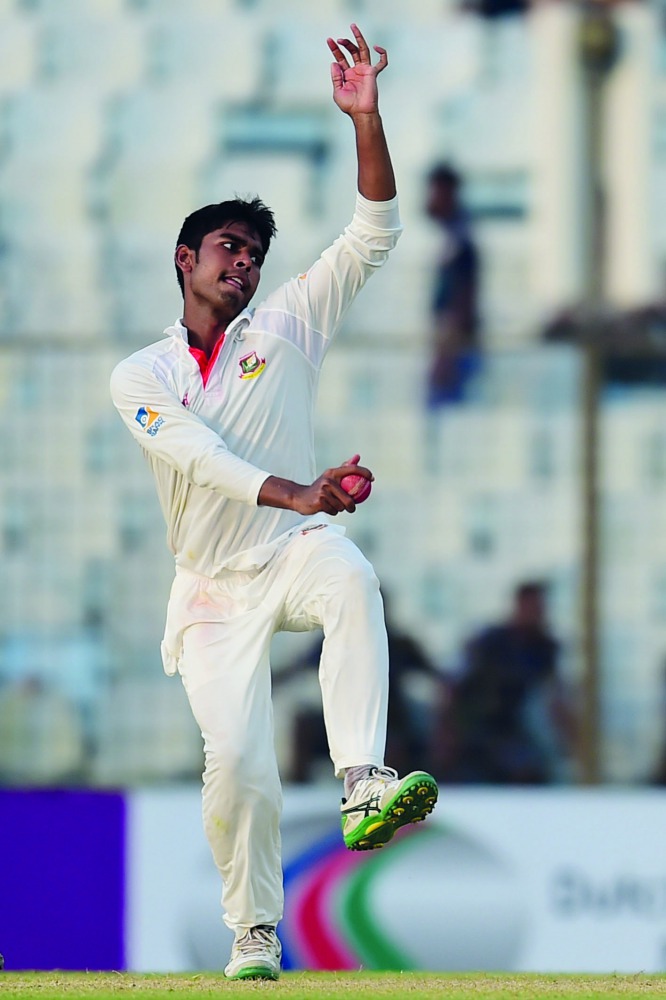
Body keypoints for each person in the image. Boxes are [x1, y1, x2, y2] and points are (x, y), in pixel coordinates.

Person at [110, 25, 437, 982]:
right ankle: (255, 933)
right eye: (227, 247)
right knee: (240, 770)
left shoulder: (288, 322)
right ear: (185, 257)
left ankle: (363, 781)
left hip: (291, 547)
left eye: (254, 252)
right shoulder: (145, 373)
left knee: (349, 574)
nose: (244, 264)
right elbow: (202, 458)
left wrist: (367, 119)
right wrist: (305, 487)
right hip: (210, 589)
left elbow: (374, 229)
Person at [276, 594, 444, 782]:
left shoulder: (399, 645)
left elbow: (437, 676)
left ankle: (389, 791)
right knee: (304, 724)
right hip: (341, 723)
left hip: (387, 724)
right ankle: (299, 789)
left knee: (395, 744)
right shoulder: (333, 642)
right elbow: (295, 669)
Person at [432, 581, 575, 784]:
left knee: (530, 770)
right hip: (471, 727)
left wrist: (572, 741)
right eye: (532, 606)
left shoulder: (544, 648)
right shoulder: (489, 641)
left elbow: (556, 697)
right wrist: (446, 733)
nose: (537, 613)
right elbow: (450, 685)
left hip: (507, 729)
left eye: (540, 607)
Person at [424, 162, 481, 406]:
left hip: (453, 353)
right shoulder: (450, 237)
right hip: (448, 349)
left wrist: (445, 354)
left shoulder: (460, 242)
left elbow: (461, 301)